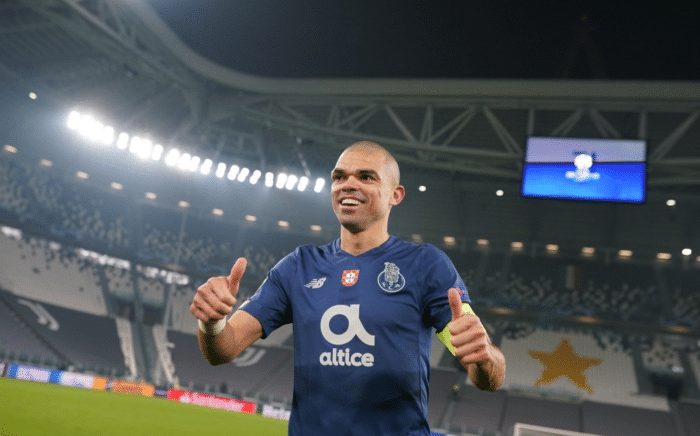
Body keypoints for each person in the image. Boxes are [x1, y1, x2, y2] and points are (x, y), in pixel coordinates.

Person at [190, 141, 506, 435]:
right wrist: (212, 322)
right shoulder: (299, 266)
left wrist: (484, 358)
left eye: (366, 177)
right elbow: (224, 349)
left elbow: (487, 375)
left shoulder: (425, 265)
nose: (347, 184)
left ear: (396, 195)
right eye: (339, 177)